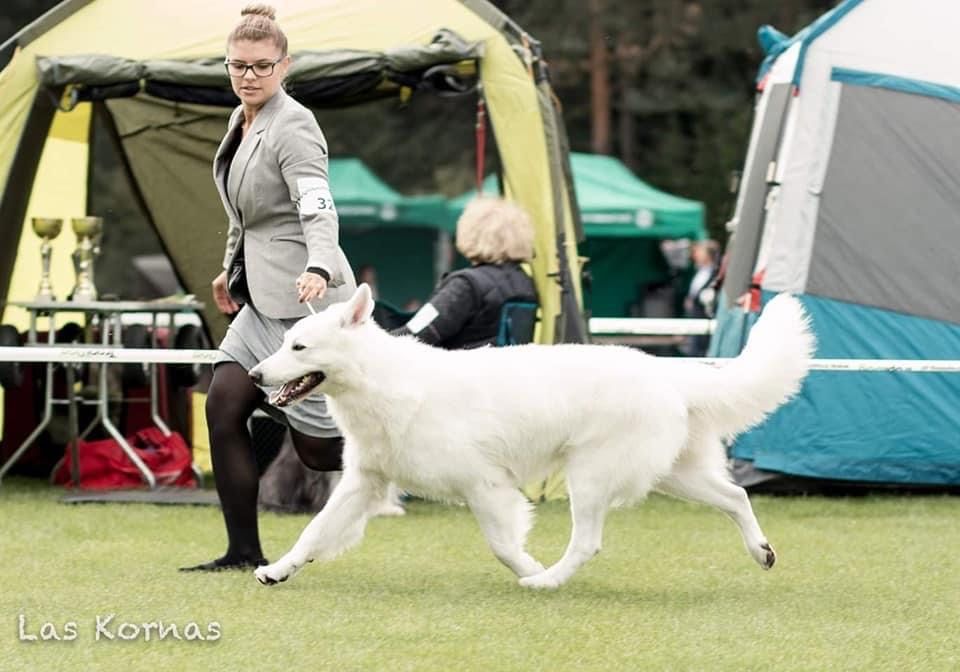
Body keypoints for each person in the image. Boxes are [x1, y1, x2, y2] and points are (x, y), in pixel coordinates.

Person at [182, 4, 357, 572]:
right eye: (238, 66)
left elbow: (316, 205)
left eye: (261, 66)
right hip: (258, 300)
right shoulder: (241, 121)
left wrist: (321, 265)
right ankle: (242, 552)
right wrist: (228, 268)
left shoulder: (296, 124)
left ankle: (412, 455)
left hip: (305, 300)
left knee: (320, 448)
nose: (249, 75)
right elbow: (247, 216)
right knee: (224, 407)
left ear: (285, 66)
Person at [393, 196, 538, 348]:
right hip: (509, 370)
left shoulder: (466, 285)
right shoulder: (526, 284)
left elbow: (414, 334)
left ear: (470, 232)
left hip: (462, 370)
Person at [683, 239, 720, 356]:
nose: (695, 254)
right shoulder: (699, 272)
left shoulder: (717, 273)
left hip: (706, 322)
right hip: (694, 320)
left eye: (699, 251)